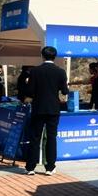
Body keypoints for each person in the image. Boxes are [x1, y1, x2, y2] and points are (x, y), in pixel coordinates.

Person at [24, 46, 69, 176]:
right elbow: (65, 91)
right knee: (51, 137)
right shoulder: (60, 72)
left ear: (42, 56)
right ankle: (50, 167)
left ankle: (30, 167)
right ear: (54, 57)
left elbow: (29, 91)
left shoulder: (35, 71)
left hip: (38, 108)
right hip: (53, 108)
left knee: (35, 138)